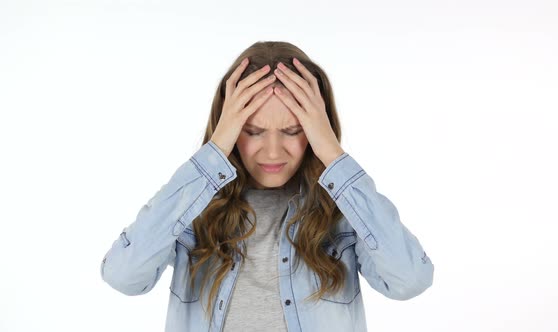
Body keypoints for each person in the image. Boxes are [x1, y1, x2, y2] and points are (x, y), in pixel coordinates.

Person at [100, 41, 434, 332]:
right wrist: (212, 156)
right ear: (228, 130)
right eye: (253, 131)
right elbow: (124, 276)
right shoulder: (193, 207)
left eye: (293, 131)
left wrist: (333, 156)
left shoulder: (345, 212)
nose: (273, 152)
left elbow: (409, 281)